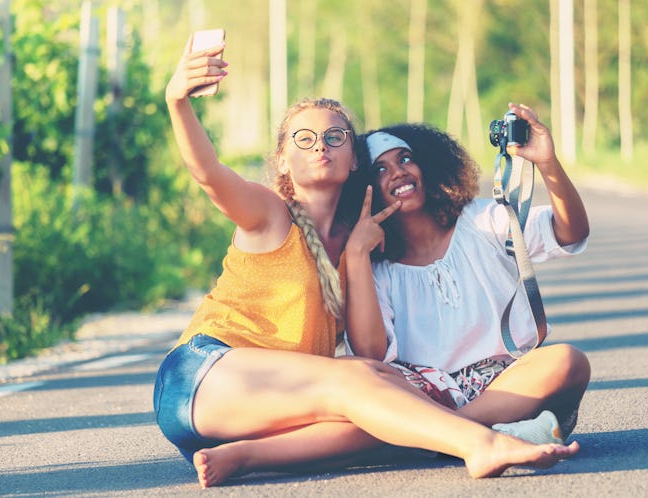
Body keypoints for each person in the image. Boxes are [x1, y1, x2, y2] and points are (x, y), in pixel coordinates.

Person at [153, 36, 579, 488]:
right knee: (356, 378)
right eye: (305, 138)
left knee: (387, 404)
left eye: (335, 137)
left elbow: (372, 351)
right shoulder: (269, 214)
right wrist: (178, 102)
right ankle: (481, 444)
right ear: (283, 158)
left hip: (263, 411)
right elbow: (209, 174)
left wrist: (357, 252)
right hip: (203, 377)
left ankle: (244, 457)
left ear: (355, 158)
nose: (321, 145)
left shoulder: (360, 242)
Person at [345, 103, 591, 443]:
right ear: (364, 190)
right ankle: (486, 434)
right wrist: (356, 255)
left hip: (505, 384)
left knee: (568, 361)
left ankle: (441, 435)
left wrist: (547, 164)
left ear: (427, 165)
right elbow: (370, 355)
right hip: (421, 391)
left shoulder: (482, 221)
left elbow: (571, 233)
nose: (397, 172)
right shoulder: (375, 265)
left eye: (404, 159)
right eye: (380, 170)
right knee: (356, 389)